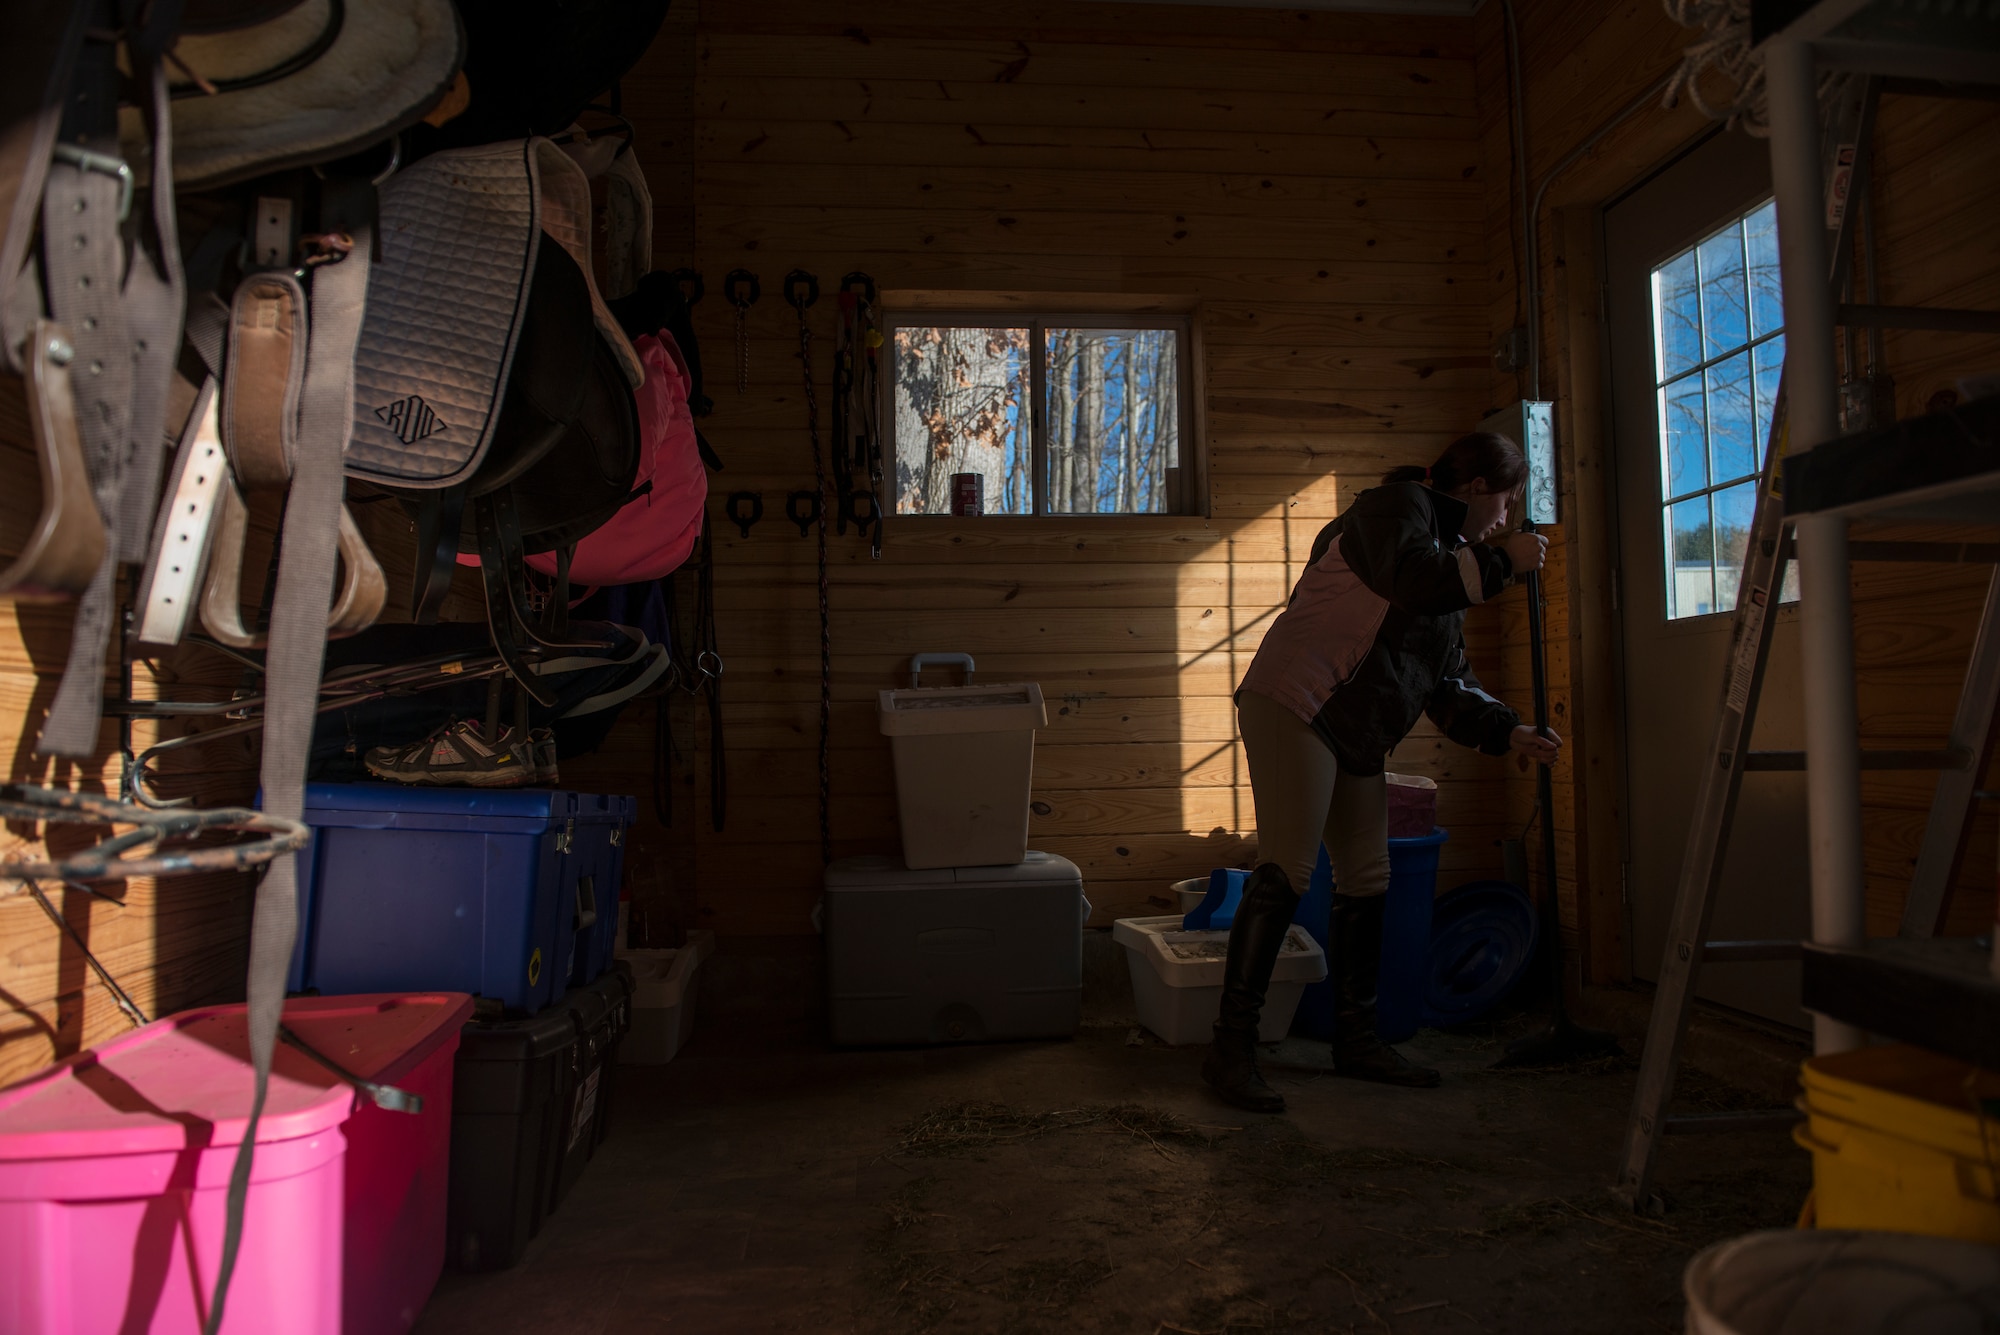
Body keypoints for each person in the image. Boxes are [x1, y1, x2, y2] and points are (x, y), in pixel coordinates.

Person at [1202, 431, 1562, 1113]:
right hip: (1297, 699)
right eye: (1506, 500)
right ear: (1480, 487)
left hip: (1353, 727)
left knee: (1368, 875)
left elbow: (1448, 681)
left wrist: (1507, 728)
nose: (1507, 517)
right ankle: (1231, 1048)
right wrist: (1503, 563)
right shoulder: (1395, 510)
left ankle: (1357, 1039)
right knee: (1287, 868)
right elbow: (1414, 582)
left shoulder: (1450, 559)